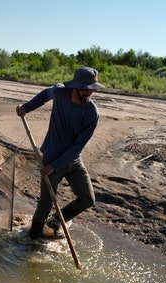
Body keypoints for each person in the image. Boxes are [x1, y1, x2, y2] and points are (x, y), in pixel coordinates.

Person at [15, 66, 104, 239]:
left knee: (88, 199)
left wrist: (53, 167)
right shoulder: (59, 93)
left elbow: (78, 146)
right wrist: (26, 108)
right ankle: (32, 238)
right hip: (51, 156)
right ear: (75, 87)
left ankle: (55, 220)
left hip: (73, 160)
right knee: (46, 203)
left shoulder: (93, 113)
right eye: (85, 89)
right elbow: (42, 96)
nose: (88, 93)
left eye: (91, 89)